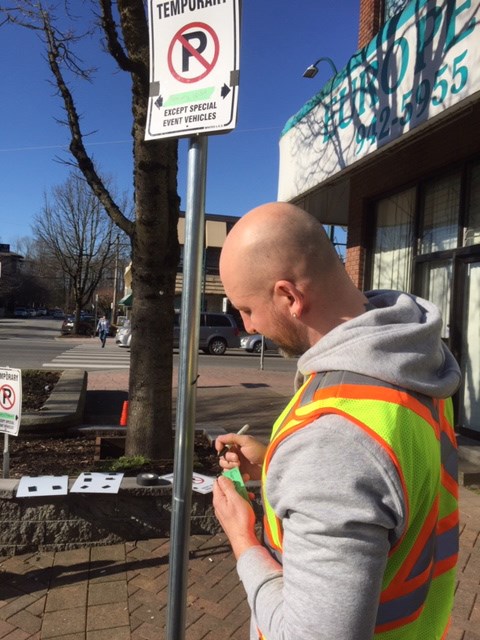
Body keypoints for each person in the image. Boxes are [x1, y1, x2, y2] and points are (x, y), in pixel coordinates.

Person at [212, 202, 461, 640]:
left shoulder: (330, 441)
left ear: (289, 297)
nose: (247, 327)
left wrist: (243, 540)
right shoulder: (411, 360)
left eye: (246, 308)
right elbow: (385, 480)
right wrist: (276, 465)